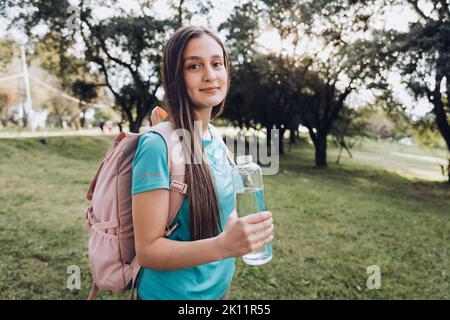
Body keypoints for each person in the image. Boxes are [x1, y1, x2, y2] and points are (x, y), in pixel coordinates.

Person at [131, 25, 274, 300]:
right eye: (194, 66)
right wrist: (224, 246)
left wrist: (244, 233)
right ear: (176, 76)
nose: (210, 75)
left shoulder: (215, 139)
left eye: (217, 63)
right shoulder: (156, 146)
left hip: (219, 292)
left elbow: (227, 214)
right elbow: (148, 252)